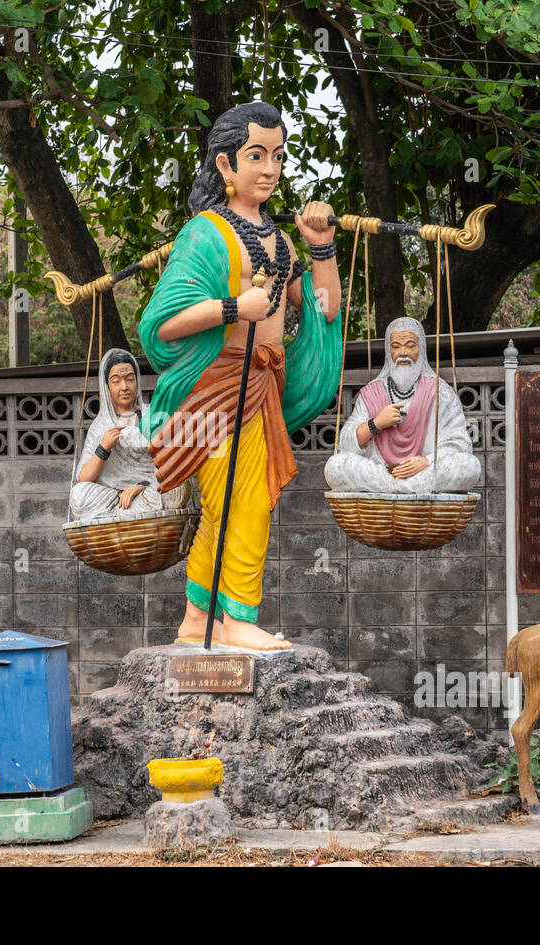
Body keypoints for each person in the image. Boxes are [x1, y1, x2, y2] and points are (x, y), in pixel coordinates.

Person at [139, 101, 343, 652]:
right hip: (214, 388)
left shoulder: (277, 238)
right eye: (256, 155)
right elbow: (161, 325)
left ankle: (195, 617)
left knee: (227, 505)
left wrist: (320, 246)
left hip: (263, 385)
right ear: (226, 166)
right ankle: (237, 620)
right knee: (243, 501)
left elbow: (323, 308)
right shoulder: (205, 234)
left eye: (277, 156)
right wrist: (233, 308)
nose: (270, 168)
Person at [324, 316, 482, 494]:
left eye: (410, 345)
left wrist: (426, 462)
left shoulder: (441, 393)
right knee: (335, 466)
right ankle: (396, 486)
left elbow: (459, 444)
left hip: (424, 472)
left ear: (421, 349)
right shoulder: (371, 392)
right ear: (388, 351)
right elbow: (346, 444)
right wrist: (376, 423)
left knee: (469, 466)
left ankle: (396, 489)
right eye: (396, 347)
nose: (403, 353)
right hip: (381, 473)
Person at [71, 348, 192, 519]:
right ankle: (126, 514)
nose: (124, 387)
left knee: (177, 485)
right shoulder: (100, 426)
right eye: (116, 381)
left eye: (130, 379)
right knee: (79, 495)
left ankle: (122, 516)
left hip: (148, 492)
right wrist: (103, 448)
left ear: (137, 382)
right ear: (107, 387)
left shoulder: (153, 417)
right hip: (114, 498)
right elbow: (84, 478)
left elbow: (173, 462)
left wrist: (141, 486)